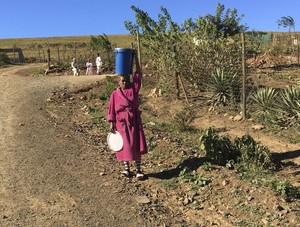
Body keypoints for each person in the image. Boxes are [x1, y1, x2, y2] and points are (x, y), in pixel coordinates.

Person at [107, 50, 147, 180]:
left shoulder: (134, 89)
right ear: (118, 82)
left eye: (126, 80)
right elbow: (111, 110)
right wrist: (112, 123)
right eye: (122, 81)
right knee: (123, 144)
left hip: (134, 120)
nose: (124, 83)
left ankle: (139, 170)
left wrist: (135, 57)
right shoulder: (115, 94)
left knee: (135, 143)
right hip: (121, 122)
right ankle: (126, 169)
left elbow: (138, 74)